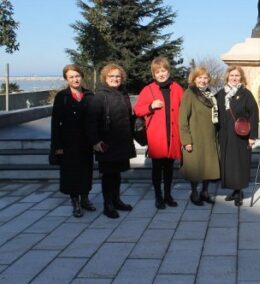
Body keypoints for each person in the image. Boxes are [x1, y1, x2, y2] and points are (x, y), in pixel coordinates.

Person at [87, 63, 136, 219]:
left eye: (118, 76)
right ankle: (108, 205)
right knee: (108, 175)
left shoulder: (123, 93)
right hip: (107, 143)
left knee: (117, 174)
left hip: (121, 141)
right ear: (105, 78)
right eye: (111, 76)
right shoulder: (100, 96)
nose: (115, 79)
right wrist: (95, 141)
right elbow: (91, 121)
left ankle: (116, 200)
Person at [134, 57, 183, 209]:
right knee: (157, 169)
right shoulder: (148, 89)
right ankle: (158, 196)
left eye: (164, 70)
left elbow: (185, 109)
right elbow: (137, 110)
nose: (161, 74)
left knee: (169, 169)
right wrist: (150, 106)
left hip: (173, 135)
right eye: (158, 72)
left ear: (168, 71)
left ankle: (168, 195)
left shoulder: (177, 88)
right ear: (153, 74)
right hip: (156, 136)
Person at [50, 64, 95, 218]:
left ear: (81, 76)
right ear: (66, 79)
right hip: (68, 142)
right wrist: (57, 146)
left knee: (86, 171)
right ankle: (74, 201)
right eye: (71, 77)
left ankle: (85, 198)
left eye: (77, 76)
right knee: (71, 172)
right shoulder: (61, 97)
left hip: (86, 142)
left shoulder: (89, 95)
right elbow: (55, 123)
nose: (75, 79)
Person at [216, 66, 259, 207]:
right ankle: (234, 190)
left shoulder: (246, 94)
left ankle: (239, 192)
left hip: (241, 136)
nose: (234, 78)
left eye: (237, 75)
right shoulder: (221, 94)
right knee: (229, 164)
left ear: (241, 78)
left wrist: (252, 136)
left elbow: (254, 115)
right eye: (232, 75)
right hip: (225, 135)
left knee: (240, 163)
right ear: (227, 76)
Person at [179, 67, 220, 206]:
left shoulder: (210, 95)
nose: (203, 80)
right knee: (195, 168)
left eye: (205, 78)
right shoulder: (189, 94)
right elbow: (183, 119)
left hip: (209, 138)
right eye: (199, 78)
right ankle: (194, 192)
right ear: (194, 79)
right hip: (195, 138)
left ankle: (205, 192)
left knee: (208, 166)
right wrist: (186, 141)